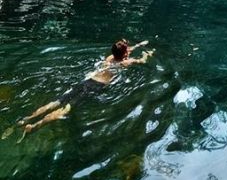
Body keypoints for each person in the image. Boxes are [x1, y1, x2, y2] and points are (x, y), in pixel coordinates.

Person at [16, 39, 154, 136]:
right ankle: (32, 128)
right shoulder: (126, 63)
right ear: (125, 54)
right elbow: (141, 61)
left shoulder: (109, 58)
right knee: (65, 109)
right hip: (96, 86)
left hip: (87, 80)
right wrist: (147, 54)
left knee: (57, 102)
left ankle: (26, 119)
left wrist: (139, 45)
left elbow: (124, 51)